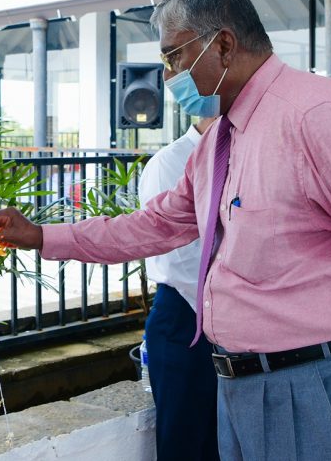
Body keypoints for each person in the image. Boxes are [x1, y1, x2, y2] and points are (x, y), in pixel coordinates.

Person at [0, 0, 331, 460]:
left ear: (223, 45)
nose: (169, 76)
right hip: (245, 384)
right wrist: (40, 236)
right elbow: (156, 224)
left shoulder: (313, 116)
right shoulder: (222, 137)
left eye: (174, 56)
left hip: (319, 378)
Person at [137, 116, 220, 461]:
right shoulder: (169, 162)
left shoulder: (241, 155)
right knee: (185, 440)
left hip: (227, 315)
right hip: (186, 315)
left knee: (220, 442)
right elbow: (178, 258)